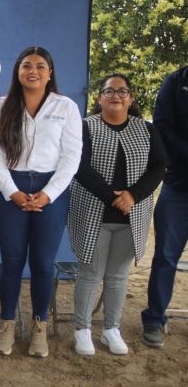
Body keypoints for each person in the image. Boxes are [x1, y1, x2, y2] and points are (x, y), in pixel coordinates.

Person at [0, 46, 82, 358]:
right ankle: (8, 324)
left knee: (42, 263)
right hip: (9, 189)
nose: (33, 71)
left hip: (50, 190)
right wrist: (10, 190)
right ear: (18, 71)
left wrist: (49, 194)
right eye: (27, 65)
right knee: (12, 262)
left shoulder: (65, 107)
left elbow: (71, 156)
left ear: (50, 73)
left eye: (40, 66)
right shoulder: (1, 106)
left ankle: (40, 326)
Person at [69, 74, 165, 356]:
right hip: (94, 213)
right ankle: (82, 330)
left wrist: (133, 195)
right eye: (109, 91)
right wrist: (113, 197)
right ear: (100, 98)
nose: (116, 96)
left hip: (131, 216)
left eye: (122, 91)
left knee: (118, 276)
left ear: (131, 99)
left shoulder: (146, 130)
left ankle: (111, 329)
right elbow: (79, 166)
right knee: (90, 273)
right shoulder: (86, 127)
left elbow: (159, 166)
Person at [141, 66, 188, 348]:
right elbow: (162, 126)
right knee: (166, 257)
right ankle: (155, 318)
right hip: (178, 184)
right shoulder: (176, 81)